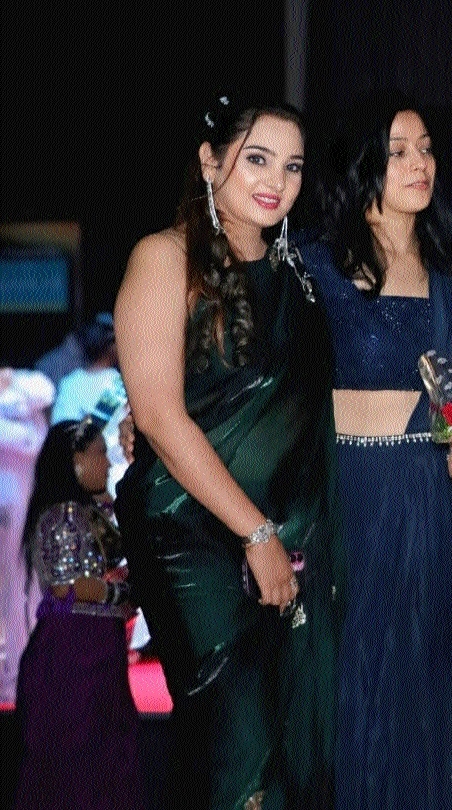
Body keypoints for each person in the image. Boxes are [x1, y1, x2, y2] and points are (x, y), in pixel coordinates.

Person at [113, 95, 341, 809]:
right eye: (258, 159)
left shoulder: (298, 274)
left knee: (290, 750)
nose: (277, 179)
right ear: (212, 162)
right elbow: (156, 414)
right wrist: (256, 531)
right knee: (238, 745)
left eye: (294, 165)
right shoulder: (164, 256)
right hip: (197, 542)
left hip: (289, 540)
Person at [301, 90, 452, 809]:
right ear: (365, 164)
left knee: (436, 691)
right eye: (398, 150)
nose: (419, 163)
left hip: (439, 500)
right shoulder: (315, 269)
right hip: (357, 496)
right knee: (363, 692)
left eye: (426, 148)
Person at [14, 418, 144, 810]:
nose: (107, 462)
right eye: (101, 453)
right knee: (80, 767)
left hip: (92, 654)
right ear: (76, 463)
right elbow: (68, 586)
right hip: (75, 658)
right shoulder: (65, 516)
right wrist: (123, 592)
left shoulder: (83, 511)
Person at [0, 367, 54, 702]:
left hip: (25, 507)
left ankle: (24, 668)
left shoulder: (23, 384)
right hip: (9, 506)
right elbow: (27, 441)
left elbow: (45, 390)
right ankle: (13, 672)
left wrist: (12, 392)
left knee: (29, 583)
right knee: (10, 587)